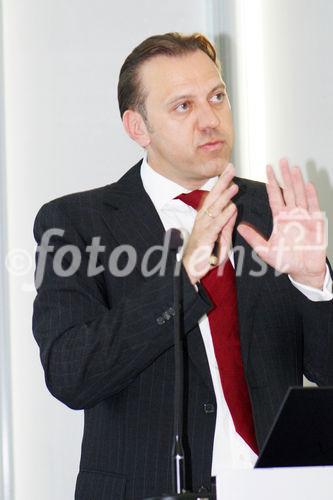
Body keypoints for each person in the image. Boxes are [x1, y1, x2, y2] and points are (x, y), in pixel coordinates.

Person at [32, 32, 333, 500]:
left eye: (217, 97)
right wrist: (182, 277)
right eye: (183, 106)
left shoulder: (273, 213)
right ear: (138, 128)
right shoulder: (77, 223)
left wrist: (314, 283)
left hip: (280, 487)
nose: (210, 119)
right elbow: (72, 375)